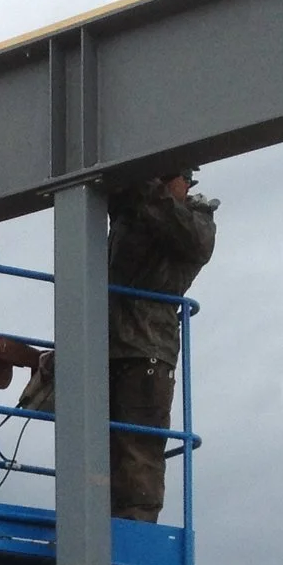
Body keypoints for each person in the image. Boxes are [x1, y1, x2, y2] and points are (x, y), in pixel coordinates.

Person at [105, 171, 218, 521]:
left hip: (146, 347)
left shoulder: (195, 223)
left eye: (181, 178)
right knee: (100, 443)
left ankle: (137, 522)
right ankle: (97, 514)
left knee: (137, 446)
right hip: (104, 342)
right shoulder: (137, 209)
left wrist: (149, 185)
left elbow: (176, 227)